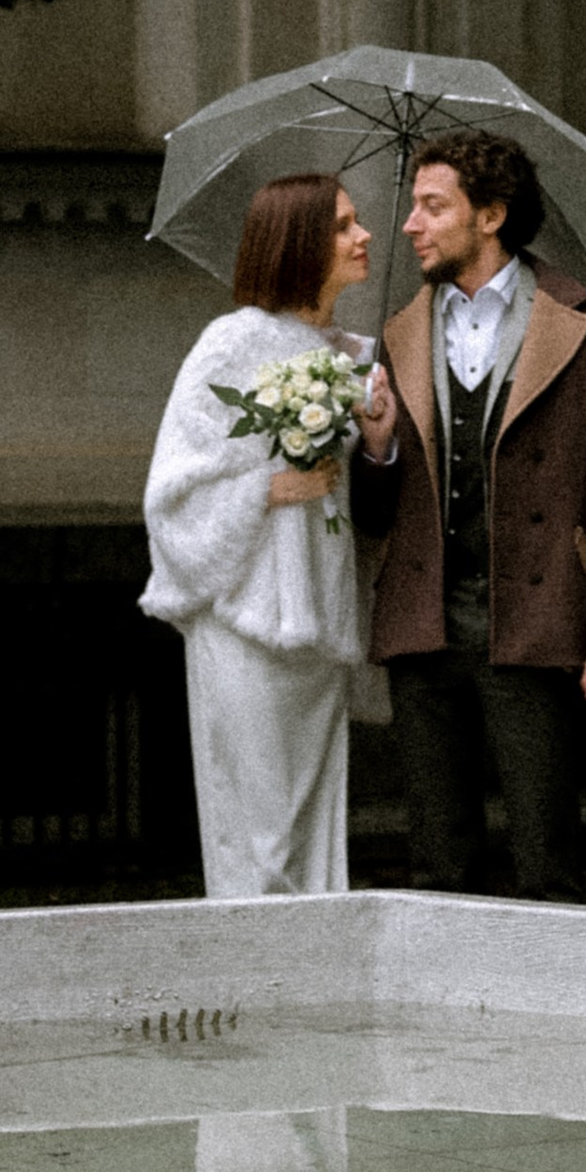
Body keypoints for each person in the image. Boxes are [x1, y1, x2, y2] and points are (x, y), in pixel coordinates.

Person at [353, 127, 586, 899]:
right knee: (437, 863)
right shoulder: (396, 333)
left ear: (490, 215)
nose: (411, 224)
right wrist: (377, 449)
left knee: (547, 859)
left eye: (432, 207)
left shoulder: (584, 324)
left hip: (537, 619)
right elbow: (372, 514)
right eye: (413, 206)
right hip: (424, 623)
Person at [140, 169, 398, 898]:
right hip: (244, 624)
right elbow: (172, 496)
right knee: (257, 834)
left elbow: (368, 507)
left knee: (315, 831)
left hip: (319, 626)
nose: (364, 236)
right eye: (345, 225)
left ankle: (312, 988)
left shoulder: (358, 356)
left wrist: (376, 440)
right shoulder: (231, 344)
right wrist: (271, 487)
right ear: (301, 242)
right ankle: (252, 986)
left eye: (358, 222)